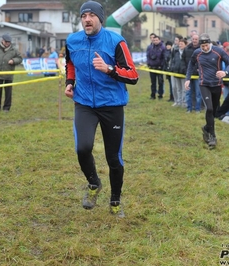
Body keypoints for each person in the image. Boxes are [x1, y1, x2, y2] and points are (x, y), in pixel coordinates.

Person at [64, 0, 138, 217]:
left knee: (113, 158)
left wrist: (108, 69)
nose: (87, 19)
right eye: (83, 16)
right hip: (84, 103)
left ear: (100, 18)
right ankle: (94, 183)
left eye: (91, 15)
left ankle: (115, 200)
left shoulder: (115, 41)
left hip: (112, 105)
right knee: (82, 148)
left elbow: (133, 75)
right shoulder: (72, 40)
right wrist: (70, 82)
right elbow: (70, 63)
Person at [184, 33, 229, 148]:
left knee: (214, 111)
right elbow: (191, 65)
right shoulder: (197, 53)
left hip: (216, 84)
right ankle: (212, 137)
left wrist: (225, 72)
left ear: (210, 44)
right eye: (203, 46)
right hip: (204, 84)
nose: (205, 48)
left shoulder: (218, 51)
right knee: (209, 109)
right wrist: (188, 79)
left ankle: (206, 128)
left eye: (206, 46)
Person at [0, 33, 23, 112]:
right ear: (2, 41)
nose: (7, 43)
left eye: (9, 42)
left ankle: (6, 108)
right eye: (6, 42)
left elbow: (20, 58)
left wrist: (13, 61)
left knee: (8, 92)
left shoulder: (14, 49)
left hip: (8, 73)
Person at [183, 34, 202, 113]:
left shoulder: (201, 49)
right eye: (193, 39)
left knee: (198, 93)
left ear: (198, 40)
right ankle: (189, 108)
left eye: (196, 39)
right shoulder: (187, 49)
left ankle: (197, 109)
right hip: (189, 75)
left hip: (198, 75)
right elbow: (183, 60)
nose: (194, 40)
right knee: (188, 93)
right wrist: (185, 70)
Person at [146, 35, 165, 100]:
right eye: (154, 40)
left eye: (157, 40)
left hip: (159, 68)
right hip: (152, 67)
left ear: (159, 40)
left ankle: (160, 95)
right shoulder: (150, 47)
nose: (155, 41)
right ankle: (153, 95)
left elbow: (164, 58)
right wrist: (148, 64)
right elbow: (148, 56)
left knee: (160, 82)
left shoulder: (162, 47)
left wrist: (161, 65)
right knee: (153, 82)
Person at [170, 38, 187, 107]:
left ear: (185, 45)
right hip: (176, 73)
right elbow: (173, 61)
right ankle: (178, 102)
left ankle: (184, 102)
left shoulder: (187, 52)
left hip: (183, 73)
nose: (180, 45)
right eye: (179, 44)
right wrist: (173, 68)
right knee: (178, 88)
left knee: (184, 89)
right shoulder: (176, 52)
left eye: (182, 44)